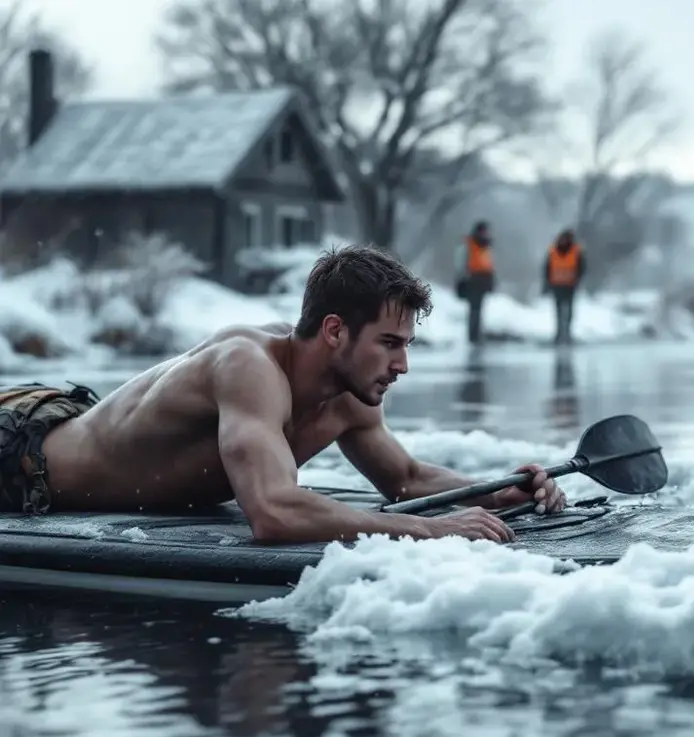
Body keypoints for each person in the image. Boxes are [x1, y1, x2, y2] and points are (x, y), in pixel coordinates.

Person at [0, 245, 567, 544]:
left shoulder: (350, 396)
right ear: (335, 331)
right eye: (389, 343)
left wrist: (497, 492)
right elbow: (272, 512)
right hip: (21, 458)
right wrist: (430, 529)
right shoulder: (248, 366)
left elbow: (407, 479)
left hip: (65, 424)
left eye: (406, 345)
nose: (402, 365)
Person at [542, 228, 585, 345]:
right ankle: (559, 334)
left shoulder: (576, 251)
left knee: (569, 311)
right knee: (558, 311)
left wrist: (578, 280)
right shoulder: (552, 251)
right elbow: (547, 268)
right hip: (557, 285)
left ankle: (567, 334)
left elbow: (581, 267)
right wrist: (546, 284)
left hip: (570, 285)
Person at [455, 220, 494, 344]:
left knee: (479, 309)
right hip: (472, 280)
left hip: (483, 280)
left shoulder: (486, 246)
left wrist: (491, 280)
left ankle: (477, 335)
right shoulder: (469, 244)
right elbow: (461, 262)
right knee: (474, 309)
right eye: (483, 231)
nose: (485, 233)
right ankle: (473, 336)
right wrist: (462, 278)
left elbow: (488, 264)